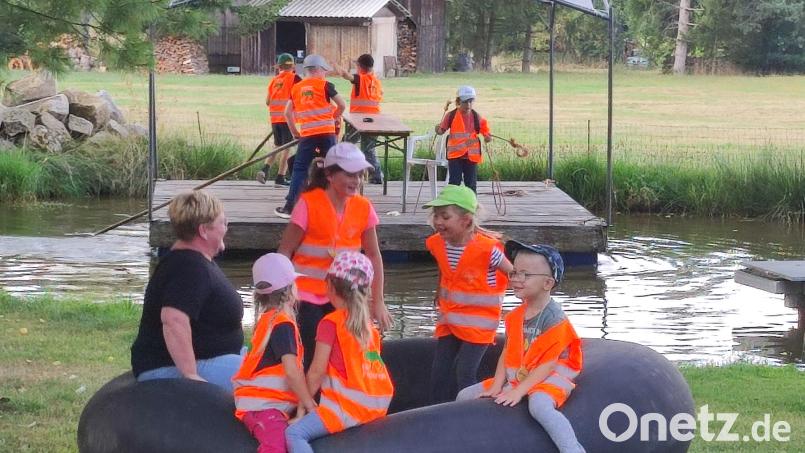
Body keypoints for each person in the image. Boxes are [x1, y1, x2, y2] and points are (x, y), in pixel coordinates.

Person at [456, 242, 585, 453]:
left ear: (547, 283)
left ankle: (573, 450)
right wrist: (497, 385)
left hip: (551, 376)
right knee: (464, 396)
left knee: (540, 406)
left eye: (525, 275)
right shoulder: (515, 316)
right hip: (523, 374)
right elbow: (508, 352)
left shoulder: (554, 319)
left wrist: (518, 391)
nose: (516, 279)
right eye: (514, 272)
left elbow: (548, 364)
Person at [277, 142, 392, 368]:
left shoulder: (363, 207)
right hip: (306, 297)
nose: (356, 180)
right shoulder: (309, 203)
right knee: (312, 357)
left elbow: (374, 255)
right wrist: (281, 298)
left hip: (346, 297)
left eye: (359, 175)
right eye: (349, 174)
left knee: (346, 356)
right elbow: (285, 251)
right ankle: (310, 398)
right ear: (329, 174)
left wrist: (377, 301)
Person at [130, 190, 244, 393]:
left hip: (212, 357)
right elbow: (173, 319)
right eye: (223, 223)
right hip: (166, 368)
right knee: (275, 383)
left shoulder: (194, 260)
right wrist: (190, 375)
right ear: (203, 231)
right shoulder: (189, 267)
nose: (226, 228)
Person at [285, 252, 394, 453]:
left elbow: (316, 371)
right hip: (378, 405)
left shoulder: (330, 323)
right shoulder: (368, 326)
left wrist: (303, 405)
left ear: (330, 285)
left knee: (293, 434)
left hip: (346, 408)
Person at [424, 184, 512, 403]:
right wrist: (438, 291)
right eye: (436, 216)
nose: (438, 222)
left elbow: (514, 274)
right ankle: (435, 414)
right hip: (449, 320)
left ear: (465, 220)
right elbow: (446, 271)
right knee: (439, 371)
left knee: (464, 372)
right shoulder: (437, 244)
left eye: (445, 217)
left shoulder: (487, 250)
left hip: (479, 326)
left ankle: (471, 414)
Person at [232, 253, 317, 453]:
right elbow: (291, 372)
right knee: (276, 447)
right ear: (289, 292)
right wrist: (309, 404)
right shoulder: (283, 325)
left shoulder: (267, 320)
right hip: (262, 407)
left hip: (261, 403)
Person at [276, 54, 346, 219]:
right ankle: (335, 206)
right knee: (332, 168)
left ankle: (290, 207)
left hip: (307, 134)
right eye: (324, 71)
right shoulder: (325, 85)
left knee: (300, 169)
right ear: (319, 70)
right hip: (327, 133)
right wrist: (333, 117)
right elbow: (342, 105)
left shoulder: (296, 88)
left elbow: (287, 113)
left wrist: (295, 133)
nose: (325, 74)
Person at [334, 54, 384, 184]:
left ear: (360, 67)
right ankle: (377, 175)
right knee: (369, 149)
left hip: (358, 120)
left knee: (345, 145)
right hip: (375, 120)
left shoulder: (360, 79)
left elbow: (346, 75)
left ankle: (338, 172)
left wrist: (335, 65)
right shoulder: (376, 81)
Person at [435, 85, 492, 193]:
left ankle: (470, 207)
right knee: (454, 183)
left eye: (471, 102)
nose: (468, 105)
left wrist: (487, 137)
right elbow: (441, 131)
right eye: (466, 102)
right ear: (458, 102)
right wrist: (437, 130)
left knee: (471, 184)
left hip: (471, 156)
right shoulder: (450, 116)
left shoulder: (476, 116)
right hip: (455, 156)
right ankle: (453, 206)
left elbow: (485, 131)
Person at [257, 53, 301, 187]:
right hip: (287, 119)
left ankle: (265, 169)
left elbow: (268, 101)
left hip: (275, 118)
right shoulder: (295, 78)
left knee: (277, 146)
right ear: (292, 66)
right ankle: (280, 177)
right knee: (286, 149)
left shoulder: (274, 81)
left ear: (279, 67)